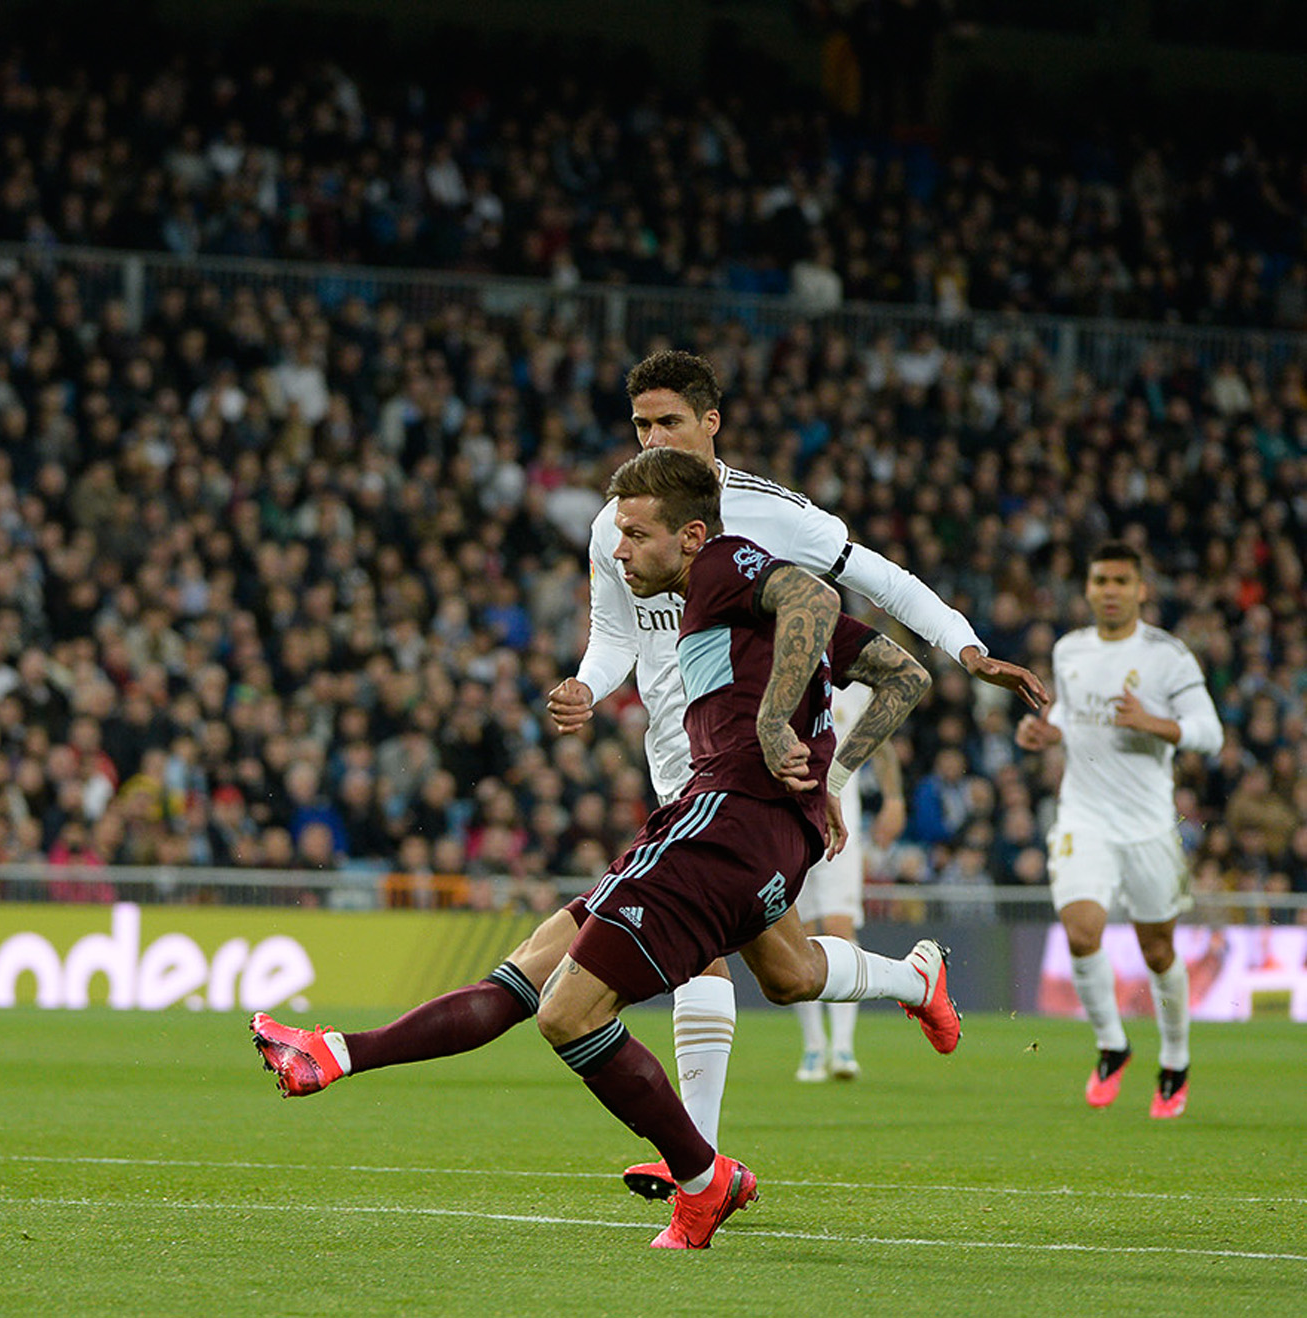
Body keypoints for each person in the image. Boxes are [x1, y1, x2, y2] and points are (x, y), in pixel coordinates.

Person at [253, 448, 958, 1249]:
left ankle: (703, 1177)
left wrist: (770, 725)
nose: (617, 551)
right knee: (546, 975)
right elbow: (903, 675)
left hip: (724, 827)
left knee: (568, 1012)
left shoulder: (728, 564)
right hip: (748, 834)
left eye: (634, 534)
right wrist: (837, 776)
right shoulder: (717, 598)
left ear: (692, 535)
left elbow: (810, 592)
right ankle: (338, 1054)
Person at [545, 349, 1046, 1194]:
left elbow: (878, 577)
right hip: (676, 757)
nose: (654, 435)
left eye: (669, 421)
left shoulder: (769, 514)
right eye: (641, 424)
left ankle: (694, 1165)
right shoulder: (618, 522)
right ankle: (912, 979)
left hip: (756, 765)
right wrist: (587, 686)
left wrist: (966, 645)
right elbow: (617, 637)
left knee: (704, 958)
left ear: (712, 422)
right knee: (784, 973)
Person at [1014, 542, 1222, 1118]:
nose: (1109, 590)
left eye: (1121, 581)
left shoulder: (1168, 656)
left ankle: (1175, 1059)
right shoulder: (1070, 649)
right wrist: (1046, 730)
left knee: (1158, 950)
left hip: (1150, 825)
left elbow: (1210, 733)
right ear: (1087, 588)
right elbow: (1070, 713)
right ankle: (1112, 1044)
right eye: (1100, 579)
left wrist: (1151, 722)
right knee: (1082, 931)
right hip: (1084, 815)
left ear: (1140, 589)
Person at [792, 680, 904, 1081]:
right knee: (798, 937)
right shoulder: (776, 670)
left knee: (839, 929)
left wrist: (894, 799)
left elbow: (882, 743)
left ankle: (841, 1047)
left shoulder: (853, 684)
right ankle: (813, 1046)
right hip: (788, 825)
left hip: (842, 827)